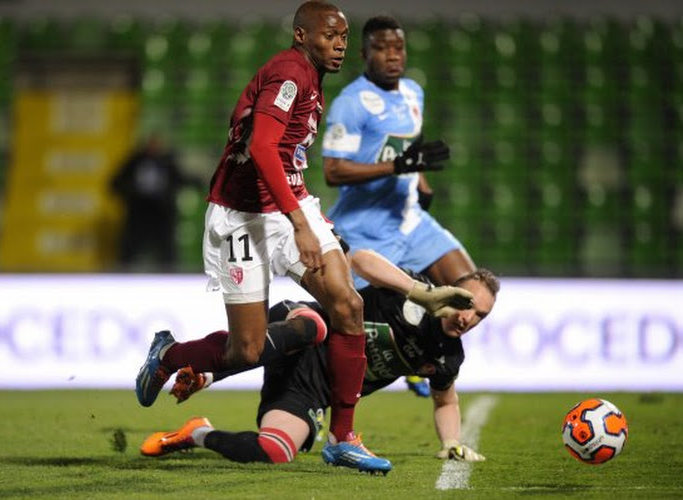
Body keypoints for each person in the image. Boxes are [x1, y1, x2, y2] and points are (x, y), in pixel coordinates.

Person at [135, 1, 392, 473]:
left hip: (290, 202)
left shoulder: (307, 75)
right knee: (246, 350)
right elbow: (261, 147)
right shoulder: (290, 72)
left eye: (343, 37)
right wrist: (299, 224)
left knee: (347, 304)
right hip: (243, 216)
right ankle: (168, 354)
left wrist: (299, 214)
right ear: (300, 36)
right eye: (329, 36)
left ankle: (343, 436)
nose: (339, 45)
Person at [139, 248, 499, 471]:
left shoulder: (447, 356)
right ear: (452, 290)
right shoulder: (415, 293)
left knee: (276, 451)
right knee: (316, 328)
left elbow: (446, 399)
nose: (467, 317)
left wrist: (450, 443)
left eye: (479, 315)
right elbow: (360, 260)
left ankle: (195, 433)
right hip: (303, 325)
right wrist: (422, 291)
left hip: (311, 389)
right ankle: (185, 361)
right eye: (465, 302)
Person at [321, 15, 478, 398]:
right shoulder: (351, 104)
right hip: (366, 228)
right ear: (364, 54)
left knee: (470, 293)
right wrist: (396, 167)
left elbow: (409, 149)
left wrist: (419, 182)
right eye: (381, 48)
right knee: (360, 328)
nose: (392, 56)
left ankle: (425, 359)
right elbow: (333, 171)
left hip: (410, 219)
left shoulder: (412, 92)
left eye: (398, 47)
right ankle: (332, 393)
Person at [110, 133, 194, 271]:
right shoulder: (135, 161)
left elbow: (180, 179)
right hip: (139, 211)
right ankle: (120, 278)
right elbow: (116, 183)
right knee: (129, 250)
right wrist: (131, 194)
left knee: (167, 251)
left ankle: (172, 280)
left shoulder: (167, 162)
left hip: (161, 212)